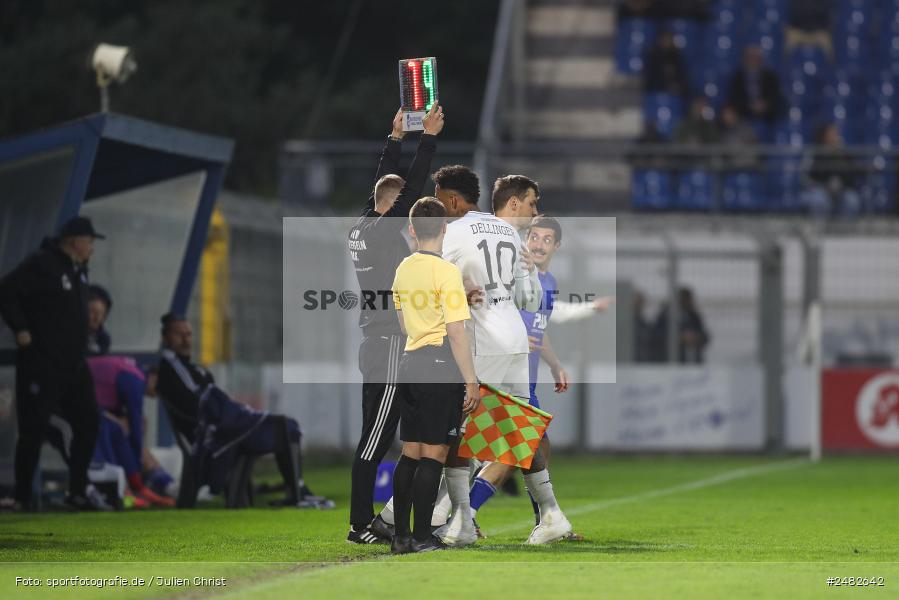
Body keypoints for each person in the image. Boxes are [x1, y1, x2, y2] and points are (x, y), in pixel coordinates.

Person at [467, 215, 612, 538]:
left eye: (547, 240)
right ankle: (467, 516)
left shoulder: (548, 281)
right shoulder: (514, 276)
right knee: (514, 449)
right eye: (534, 237)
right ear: (525, 239)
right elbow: (494, 316)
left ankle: (546, 519)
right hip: (506, 375)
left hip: (527, 379)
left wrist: (555, 364)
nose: (539, 244)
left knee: (535, 449)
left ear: (556, 246)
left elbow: (540, 327)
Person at [346, 103, 444, 544]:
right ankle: (360, 524)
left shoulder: (364, 224)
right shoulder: (382, 230)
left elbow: (384, 187)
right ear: (393, 207)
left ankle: (373, 520)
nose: (407, 215)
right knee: (375, 439)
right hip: (387, 340)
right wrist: (428, 138)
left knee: (382, 433)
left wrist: (395, 139)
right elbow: (410, 189)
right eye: (400, 204)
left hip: (380, 338)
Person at [156, 313, 331, 508]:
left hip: (223, 431)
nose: (185, 339)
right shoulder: (171, 368)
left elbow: (211, 399)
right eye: (178, 334)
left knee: (286, 425)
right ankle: (297, 493)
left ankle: (295, 491)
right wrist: (234, 414)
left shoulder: (191, 368)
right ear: (165, 338)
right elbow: (202, 405)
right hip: (214, 439)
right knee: (285, 426)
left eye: (188, 334)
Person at [389, 197, 480, 554]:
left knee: (410, 452)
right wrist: (471, 379)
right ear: (444, 229)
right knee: (435, 454)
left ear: (412, 229)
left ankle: (400, 537)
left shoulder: (403, 269)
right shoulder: (446, 272)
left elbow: (401, 322)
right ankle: (424, 537)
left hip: (410, 361)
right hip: (440, 363)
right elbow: (456, 333)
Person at [0, 216, 106, 511]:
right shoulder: (43, 264)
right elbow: (6, 291)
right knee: (33, 429)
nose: (92, 249)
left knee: (89, 421)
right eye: (90, 242)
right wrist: (20, 328)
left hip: (73, 363)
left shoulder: (79, 271)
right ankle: (22, 497)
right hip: (42, 363)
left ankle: (77, 490)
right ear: (75, 242)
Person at [88, 354, 174, 507]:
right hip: (70, 401)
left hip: (90, 405)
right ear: (154, 377)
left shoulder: (134, 373)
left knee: (124, 427)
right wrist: (136, 461)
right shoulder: (135, 381)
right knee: (109, 427)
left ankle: (136, 486)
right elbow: (134, 428)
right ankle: (123, 489)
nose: (160, 395)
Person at [805, 123, 863, 217]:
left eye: (835, 134)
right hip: (821, 189)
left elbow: (852, 173)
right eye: (831, 135)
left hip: (842, 190)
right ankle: (819, 229)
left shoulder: (844, 153)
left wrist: (841, 184)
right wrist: (824, 186)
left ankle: (845, 230)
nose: (834, 137)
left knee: (852, 200)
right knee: (819, 200)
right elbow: (809, 176)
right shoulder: (815, 153)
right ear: (824, 137)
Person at [726, 46, 784, 124]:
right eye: (750, 57)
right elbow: (734, 98)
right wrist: (750, 106)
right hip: (743, 115)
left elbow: (776, 97)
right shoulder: (737, 77)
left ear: (761, 60)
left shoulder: (770, 77)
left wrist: (765, 104)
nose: (753, 61)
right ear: (744, 60)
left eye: (755, 58)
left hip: (768, 116)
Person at [654, 287, 710, 363]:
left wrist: (695, 337)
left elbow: (705, 337)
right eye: (684, 299)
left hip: (692, 360)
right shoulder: (665, 315)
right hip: (668, 360)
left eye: (688, 299)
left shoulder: (693, 316)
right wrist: (678, 338)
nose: (686, 302)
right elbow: (656, 336)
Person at [642, 30, 688, 98]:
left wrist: (676, 85)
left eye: (669, 39)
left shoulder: (676, 57)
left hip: (673, 91)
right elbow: (651, 76)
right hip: (656, 88)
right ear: (660, 40)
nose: (667, 42)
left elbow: (680, 75)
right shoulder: (653, 56)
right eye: (665, 39)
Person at [86, 284, 112, 356]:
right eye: (93, 311)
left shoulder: (103, 338)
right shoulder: (72, 337)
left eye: (101, 313)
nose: (97, 318)